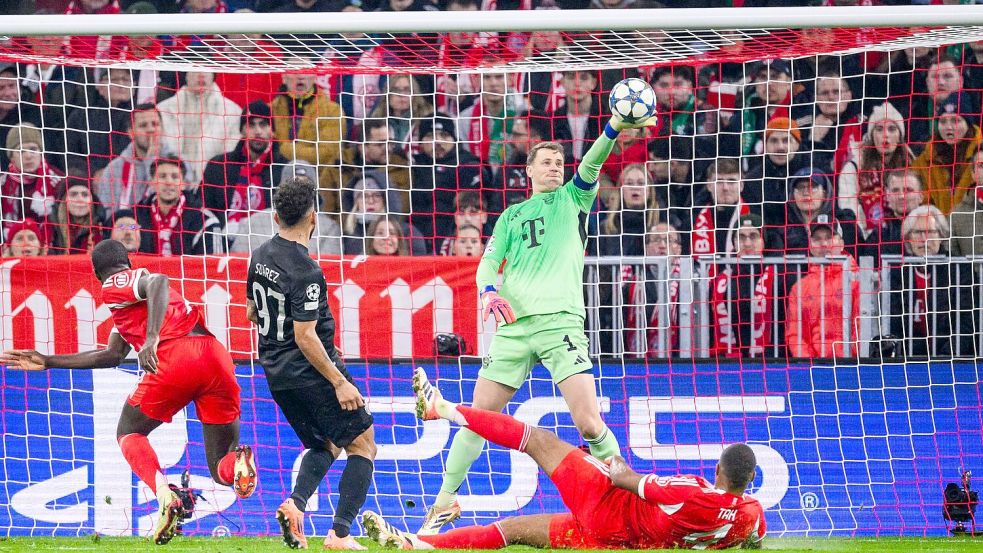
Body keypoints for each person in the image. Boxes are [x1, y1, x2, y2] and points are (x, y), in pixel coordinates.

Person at [417, 111, 654, 535]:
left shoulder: (572, 199)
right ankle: (442, 503)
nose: (554, 168)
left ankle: (627, 504)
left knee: (588, 422)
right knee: (477, 415)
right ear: (528, 171)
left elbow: (593, 162)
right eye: (545, 162)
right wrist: (489, 291)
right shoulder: (510, 216)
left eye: (558, 163)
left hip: (560, 322)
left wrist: (615, 126)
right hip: (513, 327)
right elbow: (488, 263)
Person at [0, 239, 257, 545]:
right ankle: (238, 464)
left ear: (98, 274)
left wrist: (151, 339)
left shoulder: (115, 283)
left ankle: (165, 495)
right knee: (220, 467)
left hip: (175, 355)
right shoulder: (129, 308)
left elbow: (158, 281)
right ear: (128, 260)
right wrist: (49, 361)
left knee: (128, 432)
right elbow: (111, 355)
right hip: (215, 356)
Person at [361, 367, 765, 551]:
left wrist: (607, 463)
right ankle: (418, 544)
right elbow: (754, 541)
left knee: (537, 439)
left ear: (717, 470)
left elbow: (629, 480)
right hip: (612, 543)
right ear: (749, 480)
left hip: (608, 505)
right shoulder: (750, 515)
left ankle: (440, 408)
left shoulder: (692, 492)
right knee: (514, 530)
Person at [246, 177, 376, 550]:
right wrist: (338, 380)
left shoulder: (260, 256)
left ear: (274, 217)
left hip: (276, 373)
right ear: (314, 218)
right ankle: (340, 534)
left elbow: (253, 311)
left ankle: (295, 505)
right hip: (308, 371)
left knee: (326, 444)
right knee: (363, 444)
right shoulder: (306, 270)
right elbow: (305, 336)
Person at [785, 218, 861, 358]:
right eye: (817, 239)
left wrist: (847, 358)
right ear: (810, 245)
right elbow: (795, 334)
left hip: (850, 365)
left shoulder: (857, 281)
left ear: (842, 243)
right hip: (813, 367)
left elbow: (861, 327)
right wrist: (810, 362)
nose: (824, 244)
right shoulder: (799, 288)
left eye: (830, 238)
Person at [96, 103, 180, 212]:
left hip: (167, 226)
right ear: (131, 133)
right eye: (143, 125)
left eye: (155, 124)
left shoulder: (178, 165)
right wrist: (131, 227)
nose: (150, 130)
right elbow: (107, 216)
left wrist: (151, 161)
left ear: (162, 129)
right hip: (126, 227)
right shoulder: (114, 169)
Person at [134, 156, 224, 255]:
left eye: (175, 177)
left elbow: (213, 265)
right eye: (162, 176)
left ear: (183, 183)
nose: (169, 182)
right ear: (151, 182)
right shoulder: (135, 216)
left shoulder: (206, 221)